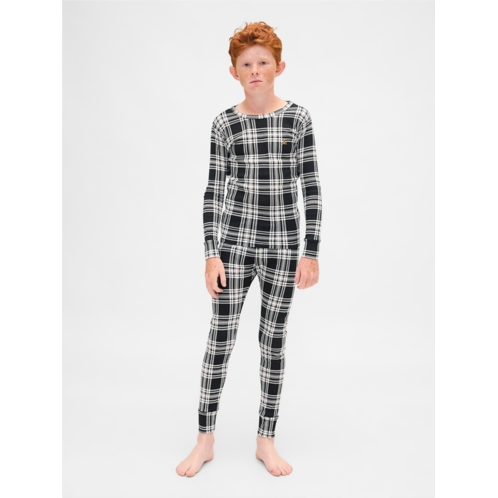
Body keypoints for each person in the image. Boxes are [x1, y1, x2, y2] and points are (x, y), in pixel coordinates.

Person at [176, 21, 323, 478]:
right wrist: (211, 254)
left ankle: (265, 440)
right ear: (234, 72)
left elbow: (311, 186)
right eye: (246, 64)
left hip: (283, 248)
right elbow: (212, 191)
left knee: (272, 342)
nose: (255, 70)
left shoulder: (298, 119)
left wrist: (311, 251)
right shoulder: (225, 123)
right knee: (220, 339)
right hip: (233, 247)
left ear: (279, 67)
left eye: (262, 62)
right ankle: (205, 439)